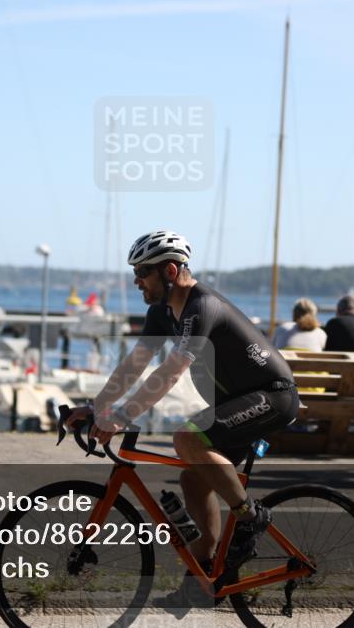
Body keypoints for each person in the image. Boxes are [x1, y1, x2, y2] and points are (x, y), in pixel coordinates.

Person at [65, 230, 300, 611]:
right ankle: (201, 586)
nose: (136, 281)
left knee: (186, 438)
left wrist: (123, 415)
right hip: (236, 401)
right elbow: (135, 364)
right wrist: (97, 407)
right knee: (194, 478)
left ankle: (250, 518)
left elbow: (172, 371)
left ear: (170, 270)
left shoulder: (201, 306)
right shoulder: (162, 311)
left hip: (273, 396)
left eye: (142, 272)